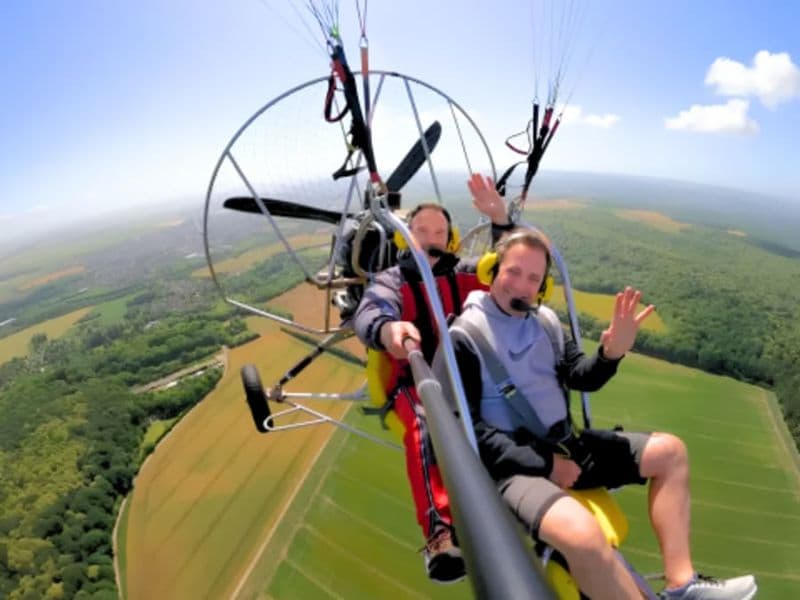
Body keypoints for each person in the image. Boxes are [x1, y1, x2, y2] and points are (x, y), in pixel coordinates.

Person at [436, 220, 757, 599]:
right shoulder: (463, 338)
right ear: (492, 270)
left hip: (568, 445)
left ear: (543, 287)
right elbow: (467, 431)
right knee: (584, 536)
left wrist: (611, 353)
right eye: (513, 272)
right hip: (515, 468)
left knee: (671, 453)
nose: (520, 286)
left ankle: (681, 585)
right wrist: (548, 465)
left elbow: (580, 377)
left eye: (532, 278)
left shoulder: (546, 323)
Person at [352, 174, 513, 583]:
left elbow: (508, 271)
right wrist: (388, 331)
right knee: (425, 427)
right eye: (420, 230)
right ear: (408, 237)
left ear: (451, 237)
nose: (430, 237)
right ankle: (440, 533)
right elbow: (371, 309)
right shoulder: (394, 279)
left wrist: (501, 221)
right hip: (414, 379)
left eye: (439, 231)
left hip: (466, 376)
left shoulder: (464, 273)